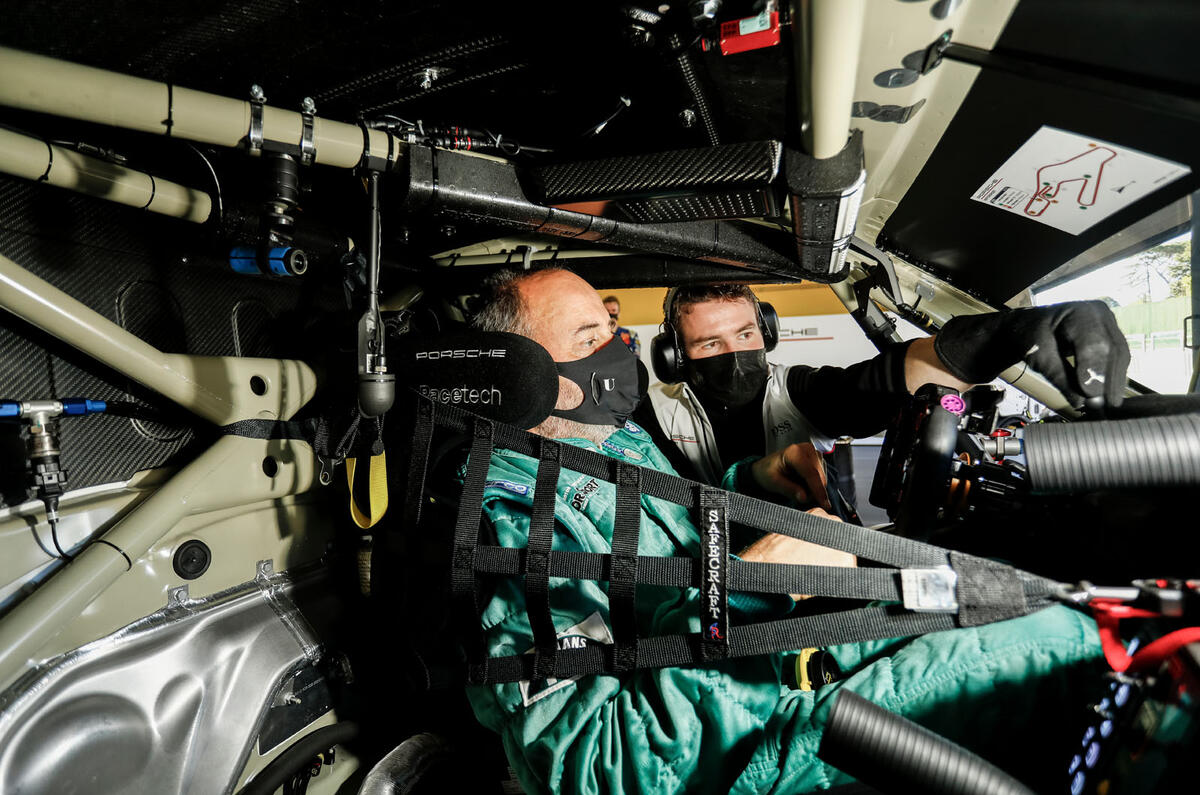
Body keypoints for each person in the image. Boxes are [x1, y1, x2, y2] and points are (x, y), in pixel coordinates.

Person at [466, 267, 1110, 794]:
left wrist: (752, 481)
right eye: (588, 341)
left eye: (612, 332)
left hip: (757, 666)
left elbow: (680, 539)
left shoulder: (608, 434)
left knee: (1027, 602)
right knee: (1064, 648)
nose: (615, 353)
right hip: (729, 736)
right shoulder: (514, 525)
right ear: (510, 379)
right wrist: (750, 588)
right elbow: (596, 768)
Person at [637, 283, 1130, 514]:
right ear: (675, 356)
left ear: (765, 332)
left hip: (811, 563)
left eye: (746, 334)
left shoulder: (799, 389)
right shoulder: (652, 415)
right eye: (710, 344)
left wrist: (998, 336)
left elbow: (884, 380)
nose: (736, 354)